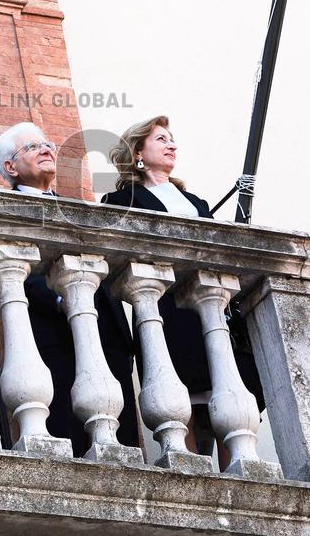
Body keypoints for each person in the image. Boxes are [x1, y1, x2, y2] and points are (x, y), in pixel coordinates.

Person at [101, 115, 263, 460]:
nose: (171, 144)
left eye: (171, 139)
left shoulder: (196, 202)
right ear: (138, 152)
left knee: (227, 393)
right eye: (161, 139)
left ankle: (234, 472)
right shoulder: (121, 200)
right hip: (166, 312)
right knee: (181, 398)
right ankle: (191, 472)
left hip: (212, 310)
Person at [0, 122, 139, 455]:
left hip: (106, 337)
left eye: (47, 143)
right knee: (72, 441)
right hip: (54, 338)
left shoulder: (76, 208)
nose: (46, 149)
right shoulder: (6, 212)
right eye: (32, 147)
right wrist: (61, 299)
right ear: (10, 167)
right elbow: (17, 268)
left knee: (123, 443)